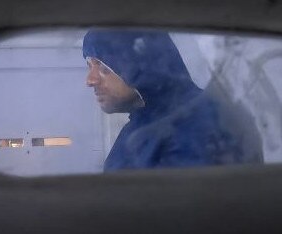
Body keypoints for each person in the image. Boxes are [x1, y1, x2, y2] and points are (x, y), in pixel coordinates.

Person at [82, 29, 263, 171]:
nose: (90, 80)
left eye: (104, 68)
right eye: (89, 66)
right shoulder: (146, 124)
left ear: (141, 64)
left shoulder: (199, 124)